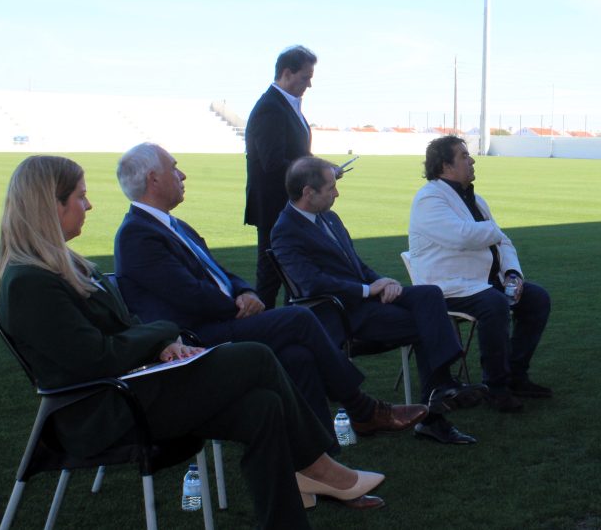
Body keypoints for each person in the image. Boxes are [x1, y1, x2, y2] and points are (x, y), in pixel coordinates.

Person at [0, 155, 386, 528]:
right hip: (105, 412)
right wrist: (164, 334)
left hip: (131, 388)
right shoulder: (29, 281)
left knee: (262, 407)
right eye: (80, 196)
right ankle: (320, 465)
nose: (89, 205)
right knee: (256, 357)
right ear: (51, 205)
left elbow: (121, 330)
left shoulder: (64, 266)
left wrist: (162, 344)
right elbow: (96, 357)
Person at [113, 143, 427, 451]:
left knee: (298, 356)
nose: (182, 175)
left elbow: (220, 273)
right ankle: (363, 409)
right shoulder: (137, 235)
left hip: (218, 323)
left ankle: (321, 454)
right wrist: (237, 305)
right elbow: (188, 294)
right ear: (154, 179)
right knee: (298, 318)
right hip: (194, 339)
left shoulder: (172, 225)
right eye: (174, 168)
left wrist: (246, 291)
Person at [271, 155, 484, 445]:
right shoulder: (285, 230)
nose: (337, 193)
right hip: (338, 313)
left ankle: (441, 388)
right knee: (427, 324)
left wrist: (384, 283)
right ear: (308, 193)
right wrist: (367, 290)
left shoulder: (328, 217)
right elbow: (311, 283)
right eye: (331, 188)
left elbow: (355, 265)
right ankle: (435, 413)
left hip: (363, 302)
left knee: (430, 295)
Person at [408, 136, 552, 413]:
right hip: (448, 287)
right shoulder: (429, 199)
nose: (472, 160)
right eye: (463, 156)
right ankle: (496, 387)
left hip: (484, 282)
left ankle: (516, 375)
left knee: (537, 299)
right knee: (494, 304)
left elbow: (502, 242)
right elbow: (463, 236)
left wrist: (513, 274)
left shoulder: (474, 199)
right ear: (445, 166)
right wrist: (495, 230)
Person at [246, 45, 316, 309]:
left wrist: (321, 167)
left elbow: (296, 153)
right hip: (275, 206)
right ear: (287, 73)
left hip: (288, 205)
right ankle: (262, 328)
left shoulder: (284, 105)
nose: (309, 85)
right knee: (270, 277)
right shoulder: (270, 107)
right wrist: (314, 172)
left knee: (290, 274)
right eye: (305, 77)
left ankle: (291, 323)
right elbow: (273, 162)